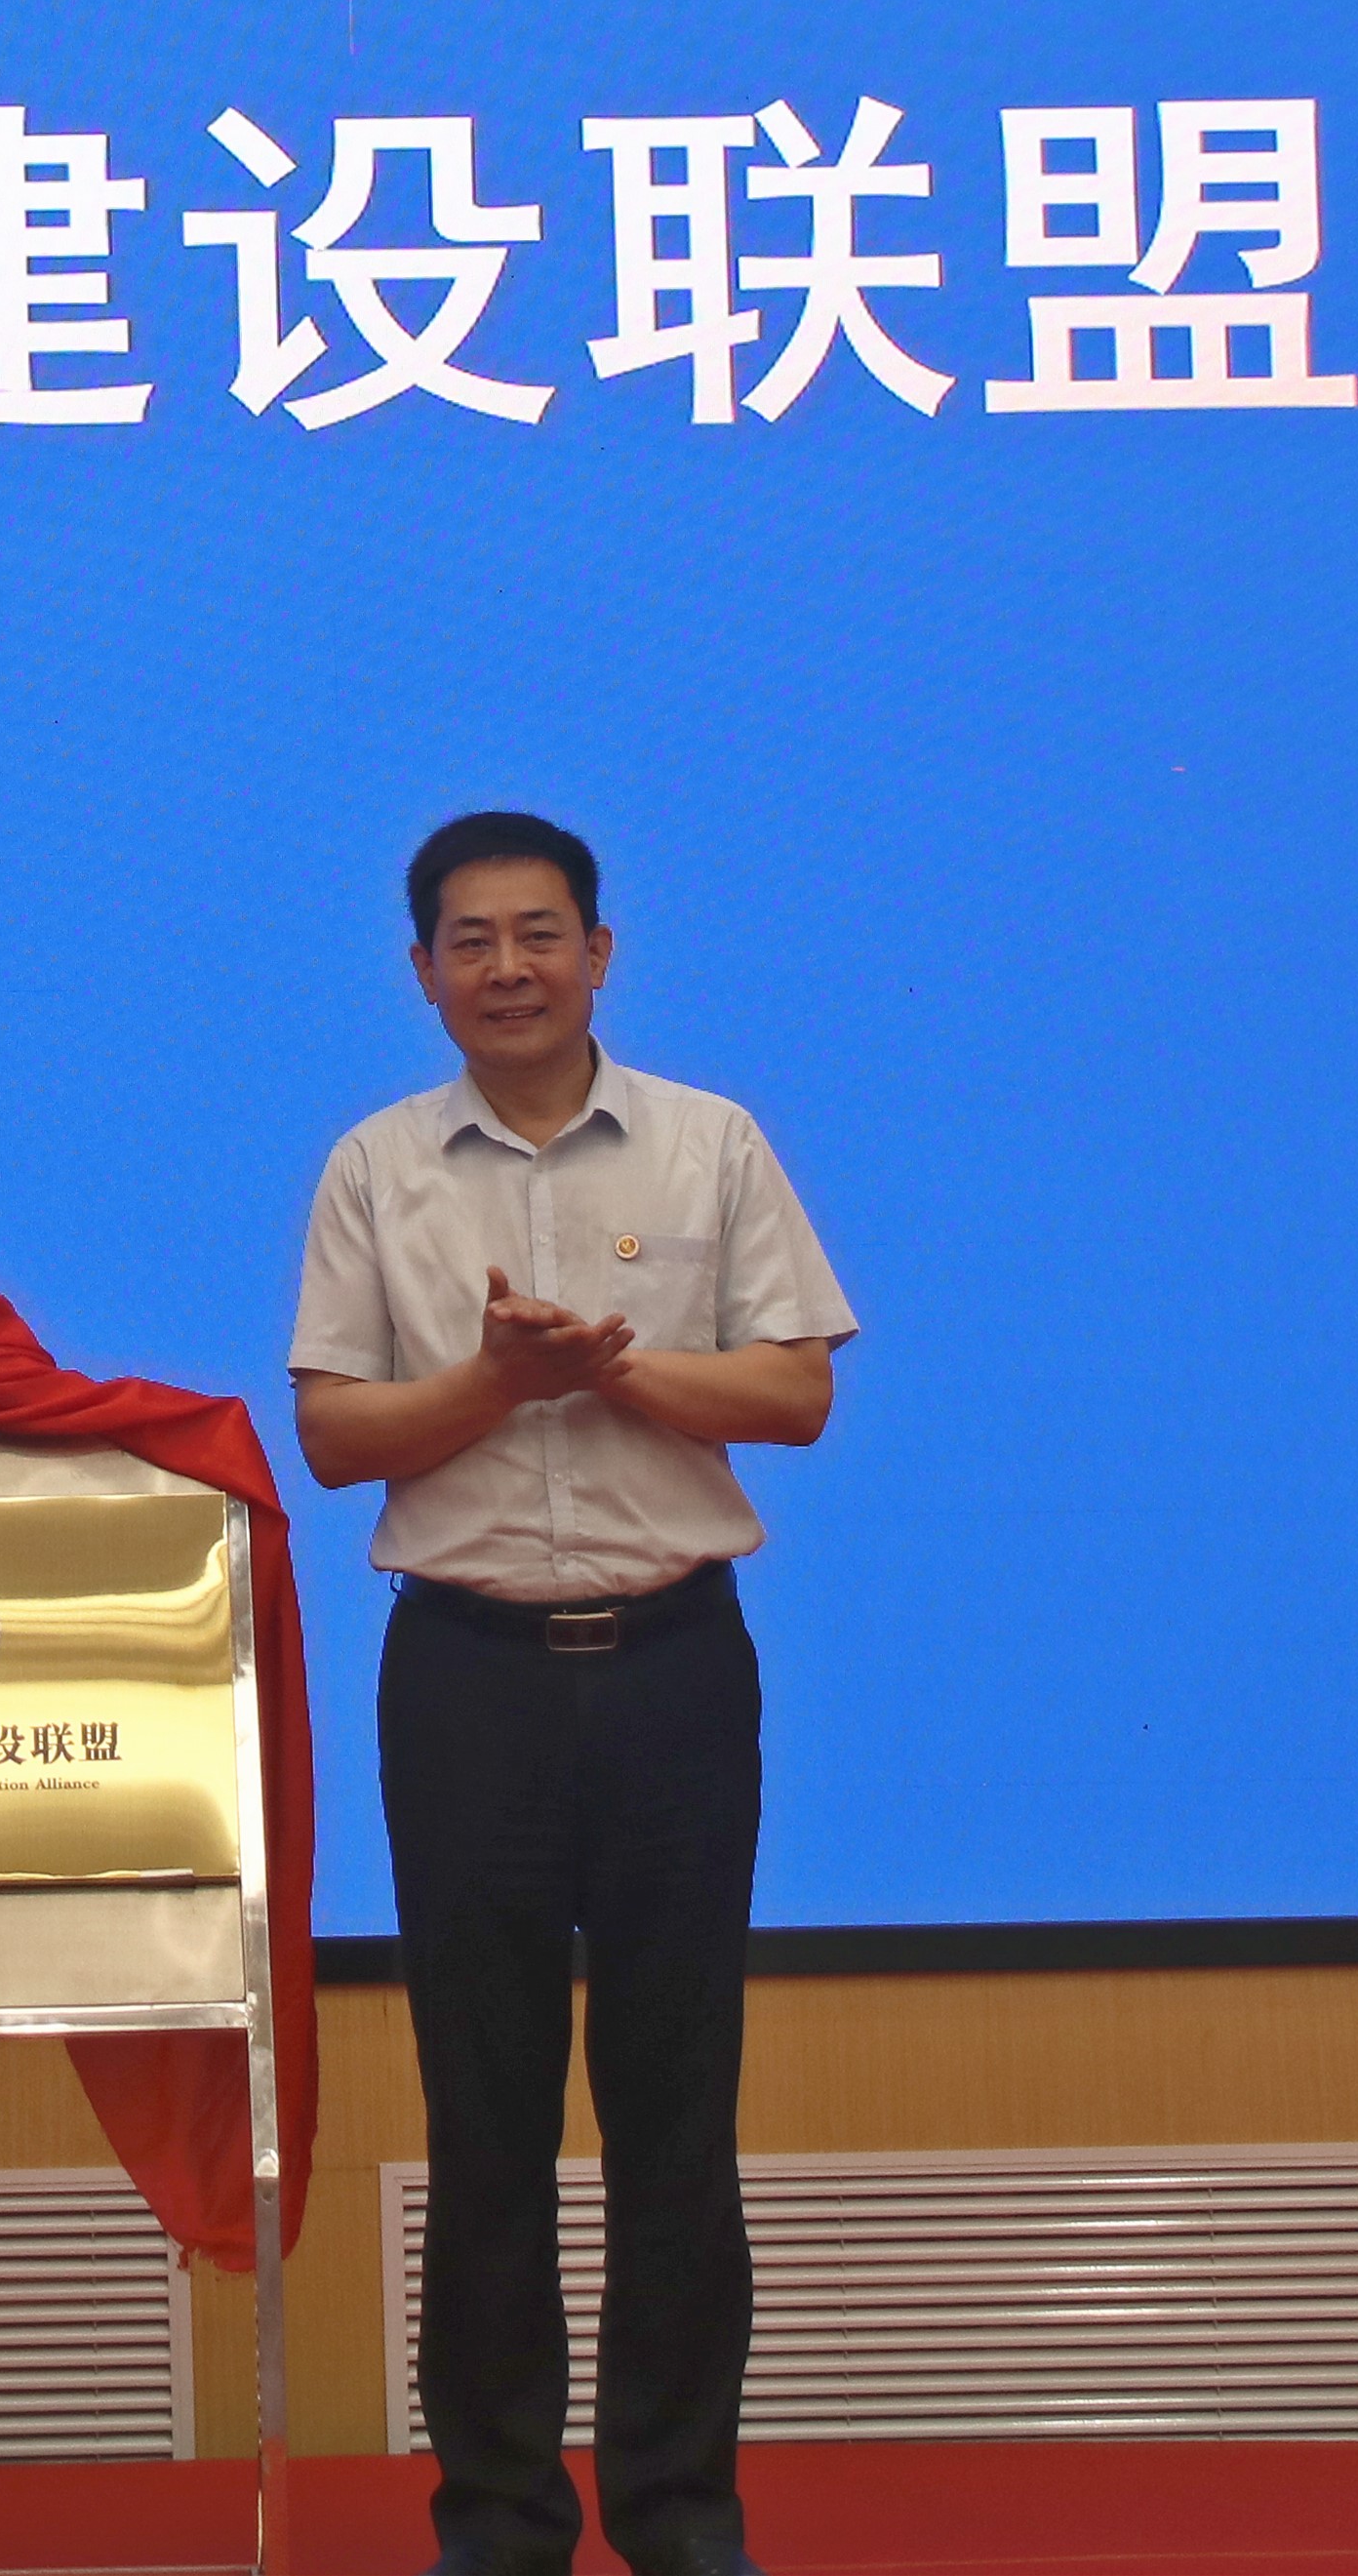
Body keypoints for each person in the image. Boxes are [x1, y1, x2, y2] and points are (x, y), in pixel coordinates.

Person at [288, 816, 854, 2576]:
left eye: (541, 933)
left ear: (602, 952)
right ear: (423, 973)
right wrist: (496, 1380)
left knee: (678, 2113)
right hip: (468, 1680)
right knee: (487, 2117)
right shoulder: (376, 1167)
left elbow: (796, 1392)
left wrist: (611, 1373)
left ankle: (681, 2514)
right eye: (471, 940)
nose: (509, 967)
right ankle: (502, 2522)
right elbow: (333, 1434)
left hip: (676, 1668)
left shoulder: (710, 1142)